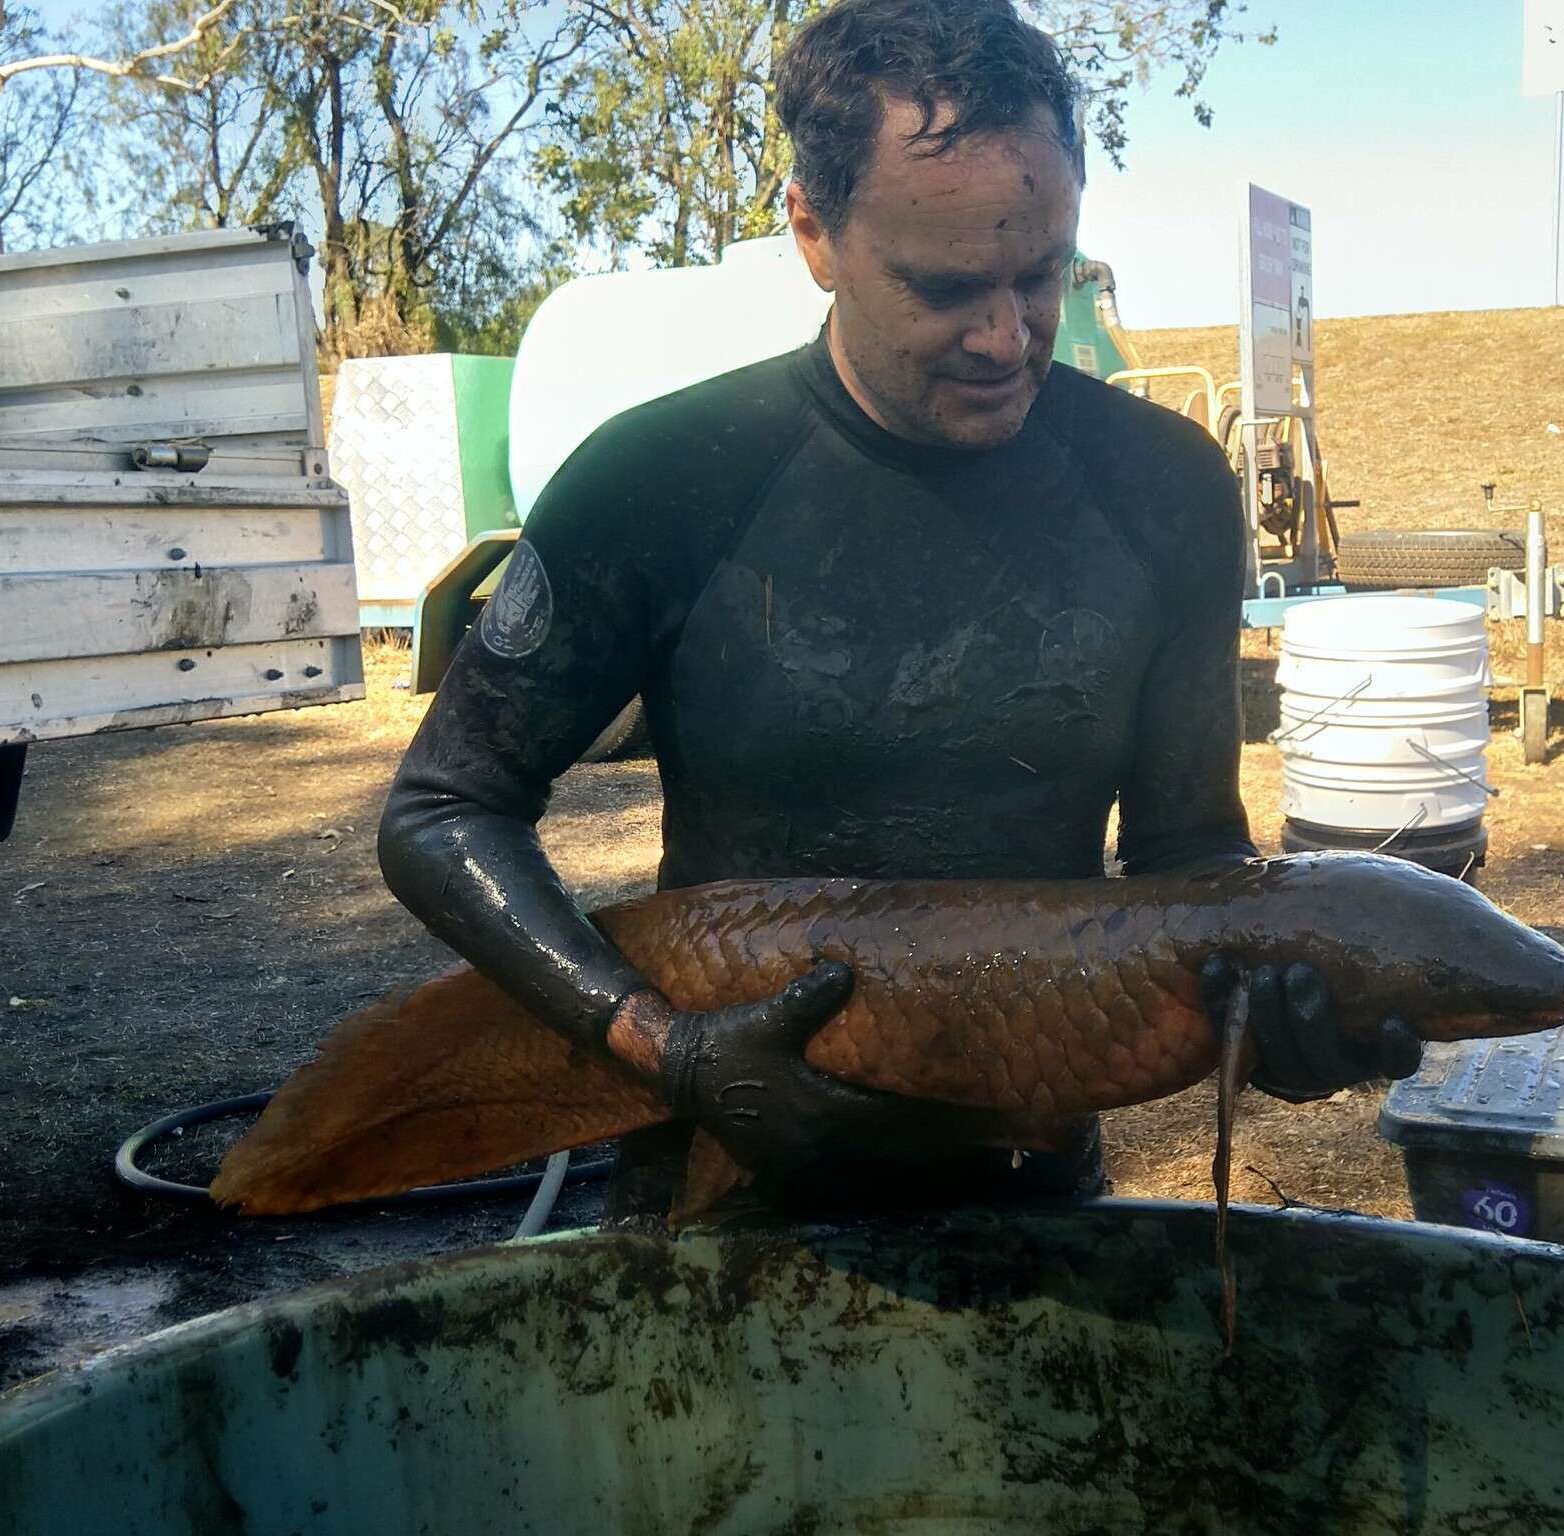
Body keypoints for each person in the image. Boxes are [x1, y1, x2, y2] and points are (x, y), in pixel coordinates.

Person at [377, 0, 1417, 1222]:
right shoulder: (662, 478)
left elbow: (1187, 858)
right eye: (942, 287)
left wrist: (1275, 997)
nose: (1003, 337)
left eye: (1041, 274)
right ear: (812, 233)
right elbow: (443, 812)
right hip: (724, 1173)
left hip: (1025, 1181)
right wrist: (663, 1045)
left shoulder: (1164, 488)